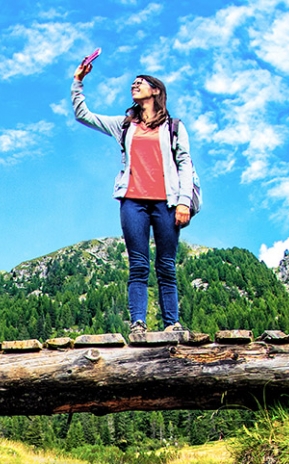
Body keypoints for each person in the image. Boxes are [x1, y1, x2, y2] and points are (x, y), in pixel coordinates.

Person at [71, 56, 194, 334]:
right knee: (138, 264)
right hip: (133, 201)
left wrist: (184, 201)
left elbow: (185, 163)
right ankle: (138, 323)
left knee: (166, 265)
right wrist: (78, 81)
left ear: (156, 91)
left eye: (141, 82)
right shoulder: (125, 125)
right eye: (133, 83)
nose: (135, 85)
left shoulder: (173, 126)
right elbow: (83, 115)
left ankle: (171, 324)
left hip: (167, 202)